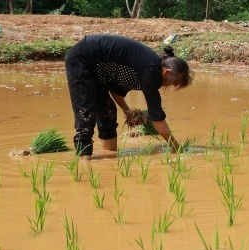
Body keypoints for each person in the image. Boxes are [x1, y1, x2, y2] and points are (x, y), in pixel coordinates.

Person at [65, 34, 193, 158]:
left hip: (98, 70)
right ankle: (83, 167)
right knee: (86, 116)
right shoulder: (150, 70)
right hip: (82, 59)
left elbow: (116, 90)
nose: (167, 86)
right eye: (171, 83)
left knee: (108, 114)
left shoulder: (144, 65)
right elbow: (157, 117)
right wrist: (177, 148)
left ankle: (108, 156)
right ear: (167, 72)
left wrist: (128, 112)